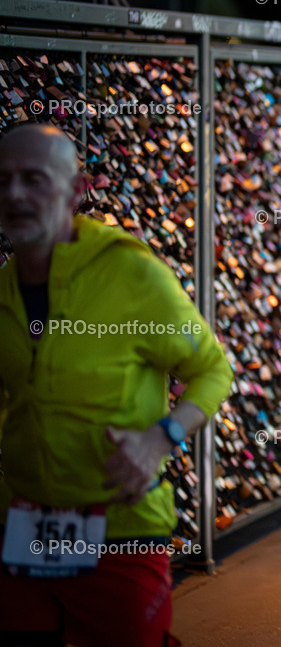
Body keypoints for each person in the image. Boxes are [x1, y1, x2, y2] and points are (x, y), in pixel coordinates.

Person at [0, 123, 233, 646]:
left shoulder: (131, 274)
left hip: (121, 529)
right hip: (18, 523)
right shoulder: (2, 290)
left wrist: (160, 439)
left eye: (33, 179)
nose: (14, 195)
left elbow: (213, 371)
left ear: (76, 191)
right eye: (3, 180)